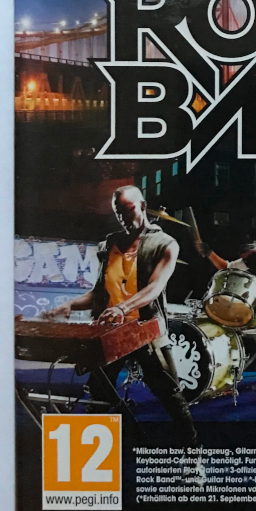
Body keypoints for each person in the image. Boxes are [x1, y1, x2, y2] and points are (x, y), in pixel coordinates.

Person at [45, 185, 199, 447]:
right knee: (99, 392)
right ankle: (94, 453)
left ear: (142, 206)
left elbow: (154, 288)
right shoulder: (110, 244)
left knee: (170, 395)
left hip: (145, 331)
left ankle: (192, 452)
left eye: (128, 210)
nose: (123, 218)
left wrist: (122, 308)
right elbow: (99, 293)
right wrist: (69, 305)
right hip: (111, 332)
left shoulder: (165, 244)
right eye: (118, 212)